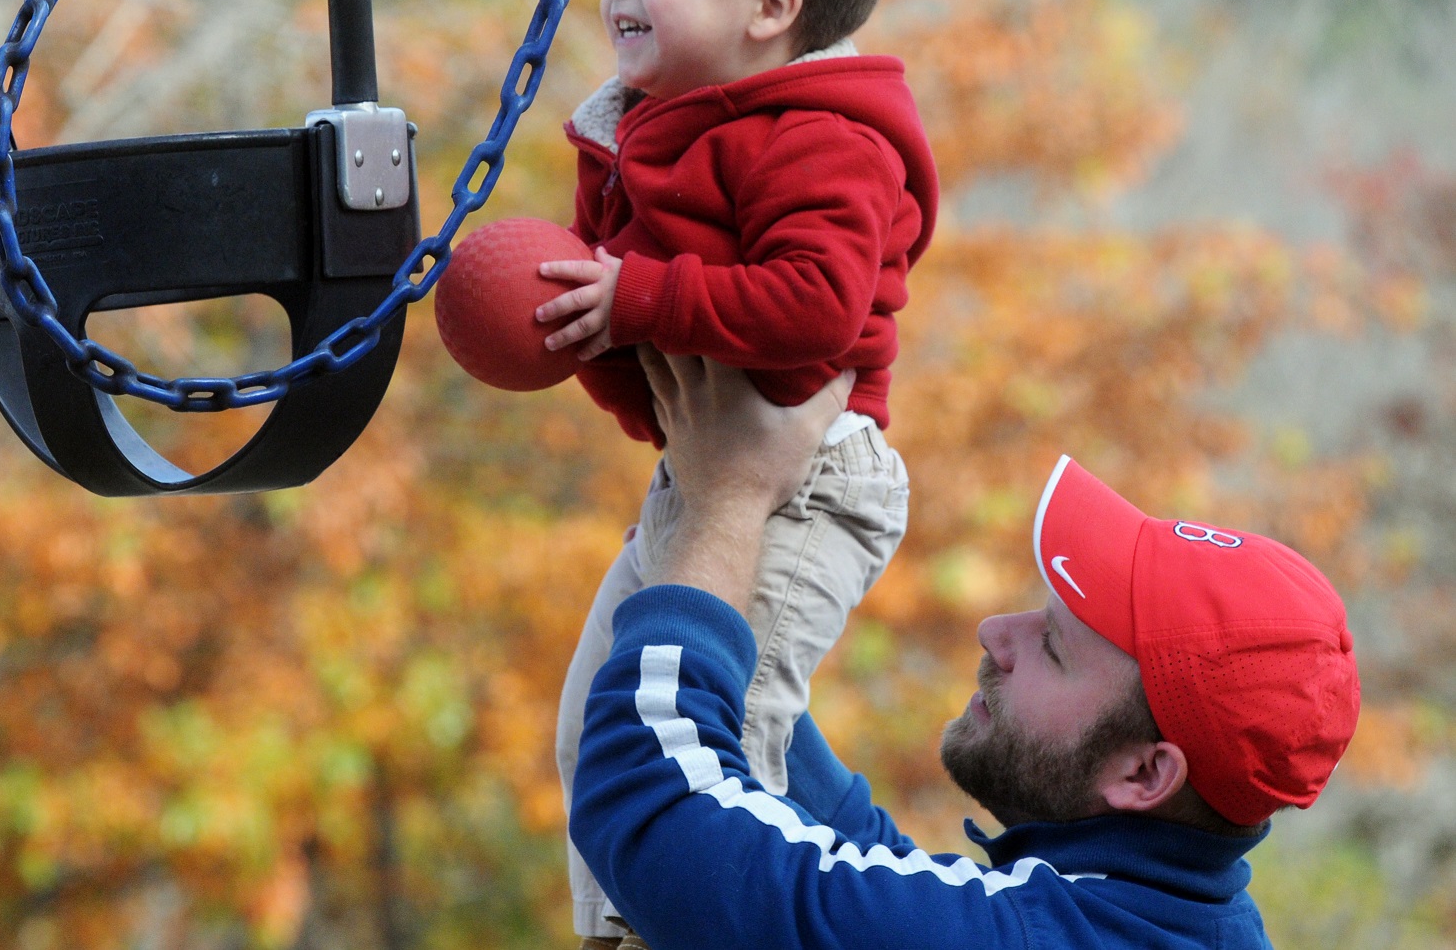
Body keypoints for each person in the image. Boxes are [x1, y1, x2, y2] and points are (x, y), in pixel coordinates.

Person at [569, 349, 1362, 950]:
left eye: (1053, 647)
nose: (996, 631)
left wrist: (730, 499)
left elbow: (654, 811)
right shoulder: (1179, 917)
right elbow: (867, 872)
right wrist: (725, 583)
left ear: (1146, 772)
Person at [535, 0, 941, 946]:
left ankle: (695, 919)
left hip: (812, 474)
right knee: (598, 724)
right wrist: (576, 320)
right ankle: (622, 927)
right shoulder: (647, 132)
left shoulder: (824, 140)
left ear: (771, 6)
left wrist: (635, 298)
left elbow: (810, 309)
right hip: (701, 471)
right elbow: (647, 344)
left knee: (729, 721)